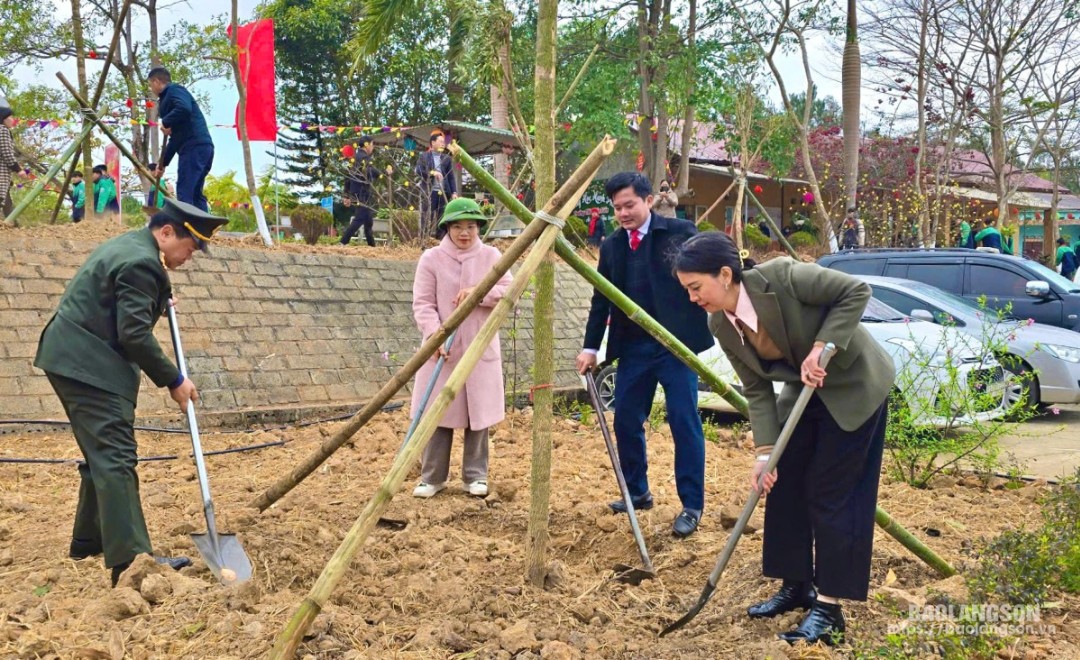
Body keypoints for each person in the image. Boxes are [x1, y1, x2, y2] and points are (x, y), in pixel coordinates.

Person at [672, 232, 895, 645]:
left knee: (832, 493)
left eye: (695, 288)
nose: (692, 298)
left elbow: (855, 291)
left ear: (724, 274)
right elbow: (756, 389)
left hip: (851, 384)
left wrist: (823, 346)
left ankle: (828, 608)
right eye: (687, 290)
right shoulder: (719, 322)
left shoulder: (783, 277)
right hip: (802, 390)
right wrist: (764, 453)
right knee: (783, 481)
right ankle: (796, 585)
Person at [34, 198, 228, 587]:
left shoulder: (133, 246)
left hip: (71, 355)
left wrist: (160, 295)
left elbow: (123, 298)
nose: (189, 257)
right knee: (115, 456)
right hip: (88, 364)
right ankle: (132, 563)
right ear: (168, 232)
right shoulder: (142, 264)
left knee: (100, 454)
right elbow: (134, 333)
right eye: (189, 248)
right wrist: (175, 380)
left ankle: (89, 541)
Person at [576, 172, 713, 538]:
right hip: (634, 348)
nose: (623, 213)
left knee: (683, 421)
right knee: (625, 421)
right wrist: (591, 347)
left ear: (648, 201)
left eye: (630, 205)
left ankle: (691, 505)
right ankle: (637, 491)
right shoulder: (612, 247)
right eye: (617, 207)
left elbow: (708, 272)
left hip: (675, 347)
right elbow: (601, 300)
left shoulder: (680, 232)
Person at [410, 197, 510, 498]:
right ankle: (432, 477)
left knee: (478, 416)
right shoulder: (431, 259)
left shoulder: (492, 255)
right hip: (444, 348)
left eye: (470, 226)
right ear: (447, 228)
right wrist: (434, 335)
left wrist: (479, 293)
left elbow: (508, 289)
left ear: (478, 227)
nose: (464, 233)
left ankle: (475, 476)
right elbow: (423, 304)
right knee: (437, 414)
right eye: (457, 227)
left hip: (479, 346)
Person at [149, 67, 214, 212]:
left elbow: (184, 108)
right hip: (201, 147)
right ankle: (203, 231)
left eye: (151, 84)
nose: (151, 88)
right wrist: (163, 163)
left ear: (156, 81)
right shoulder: (167, 100)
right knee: (195, 193)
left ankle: (187, 232)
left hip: (194, 147)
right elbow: (175, 139)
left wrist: (166, 121)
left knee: (185, 191)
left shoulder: (174, 90)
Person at [415, 129, 458, 236]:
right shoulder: (424, 156)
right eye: (440, 141)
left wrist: (454, 192)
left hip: (443, 192)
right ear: (433, 143)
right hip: (429, 192)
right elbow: (419, 170)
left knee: (442, 219)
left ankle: (440, 242)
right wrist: (432, 173)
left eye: (443, 142)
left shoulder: (446, 158)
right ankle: (425, 240)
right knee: (426, 217)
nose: (443, 144)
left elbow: (451, 177)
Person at [341, 136, 379, 247]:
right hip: (363, 192)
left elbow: (347, 178)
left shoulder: (353, 158)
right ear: (367, 145)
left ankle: (372, 246)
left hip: (355, 192)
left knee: (368, 221)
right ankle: (343, 242)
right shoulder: (365, 158)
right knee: (360, 218)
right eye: (372, 144)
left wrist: (346, 195)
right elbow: (373, 172)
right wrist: (384, 173)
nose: (373, 147)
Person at [0, 101, 19, 224]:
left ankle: (12, 223)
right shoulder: (3, 130)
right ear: (3, 119)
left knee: (6, 199)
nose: (13, 120)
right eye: (10, 117)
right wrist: (18, 169)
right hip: (1, 171)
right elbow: (7, 153)